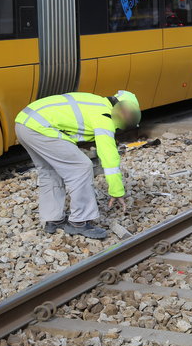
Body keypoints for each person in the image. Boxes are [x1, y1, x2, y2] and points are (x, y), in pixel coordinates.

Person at [14, 90, 141, 239]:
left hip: (24, 124)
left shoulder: (96, 101)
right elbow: (109, 157)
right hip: (41, 128)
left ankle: (52, 219)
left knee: (50, 171)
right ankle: (79, 222)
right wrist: (117, 190)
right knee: (81, 167)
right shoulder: (104, 117)